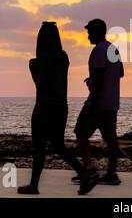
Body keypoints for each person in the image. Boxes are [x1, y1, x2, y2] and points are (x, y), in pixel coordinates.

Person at [17, 21, 99, 195]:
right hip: (61, 107)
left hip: (44, 107)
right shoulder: (64, 57)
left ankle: (34, 185)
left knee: (39, 147)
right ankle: (83, 173)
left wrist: (32, 66)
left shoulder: (39, 61)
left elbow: (41, 84)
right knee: (58, 146)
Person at [74, 18, 124, 185]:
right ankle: (111, 174)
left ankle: (89, 170)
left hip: (97, 102)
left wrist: (93, 91)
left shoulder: (98, 50)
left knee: (80, 133)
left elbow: (100, 73)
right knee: (111, 139)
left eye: (89, 32)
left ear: (97, 32)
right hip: (112, 103)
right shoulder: (113, 49)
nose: (88, 36)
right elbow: (121, 72)